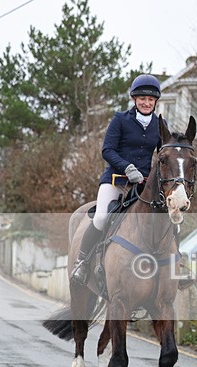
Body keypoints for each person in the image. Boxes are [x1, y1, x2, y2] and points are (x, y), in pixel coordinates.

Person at [70, 74, 164, 285]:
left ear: (155, 101)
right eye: (142, 98)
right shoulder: (120, 120)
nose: (146, 103)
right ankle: (82, 262)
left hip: (143, 185)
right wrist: (127, 167)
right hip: (116, 181)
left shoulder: (160, 124)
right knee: (102, 218)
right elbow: (107, 150)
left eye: (150, 99)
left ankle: (176, 266)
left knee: (166, 217)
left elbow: (164, 153)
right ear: (134, 99)